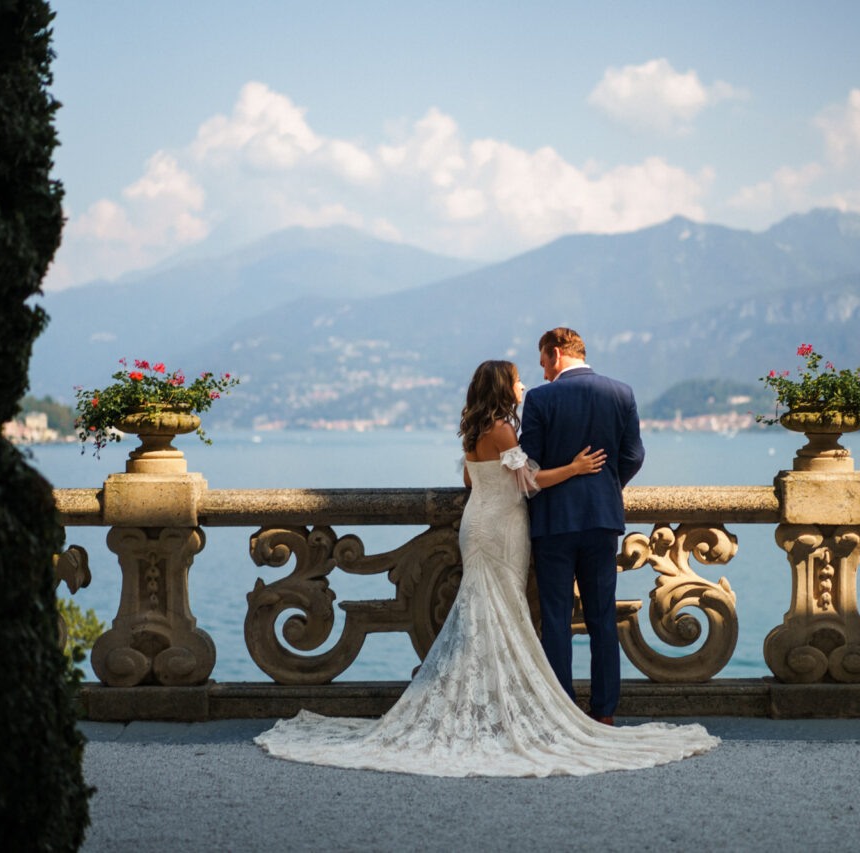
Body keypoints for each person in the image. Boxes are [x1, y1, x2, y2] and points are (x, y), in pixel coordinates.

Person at [254, 360, 717, 776]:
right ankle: (523, 706)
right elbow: (530, 483)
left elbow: (471, 480)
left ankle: (492, 699)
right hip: (501, 528)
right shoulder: (503, 430)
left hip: (478, 522)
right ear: (502, 387)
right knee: (502, 609)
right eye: (516, 381)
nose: (523, 386)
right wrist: (575, 468)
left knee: (485, 612)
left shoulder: (477, 431)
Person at [519, 327, 644, 724]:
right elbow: (634, 455)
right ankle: (605, 712)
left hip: (554, 520)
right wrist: (608, 486)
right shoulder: (621, 393)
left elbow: (529, 466)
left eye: (543, 363)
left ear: (556, 353)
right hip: (602, 519)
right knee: (602, 616)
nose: (542, 374)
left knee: (556, 617)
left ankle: (562, 710)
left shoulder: (541, 398)